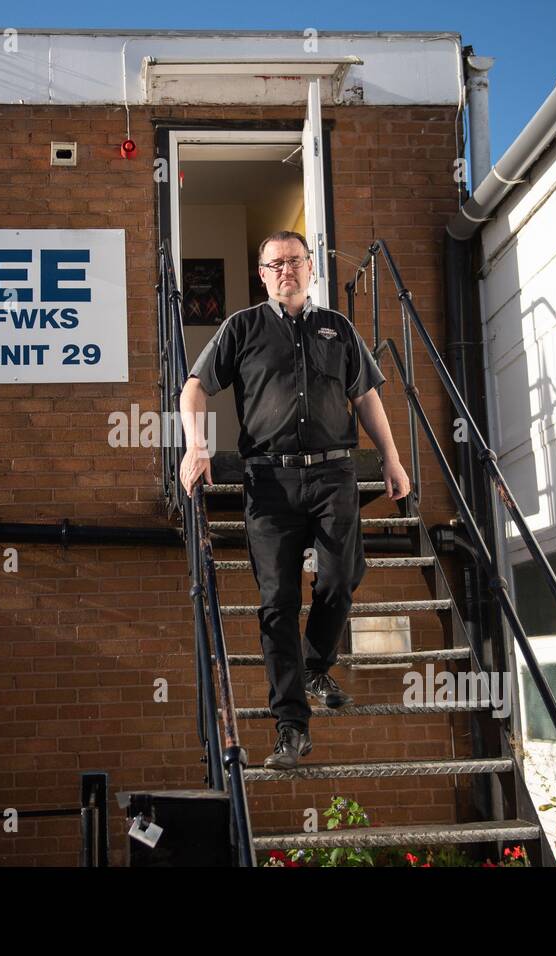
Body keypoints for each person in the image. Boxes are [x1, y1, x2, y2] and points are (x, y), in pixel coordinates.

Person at [179, 230, 410, 770]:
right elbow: (193, 387)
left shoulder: (339, 329)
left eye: (295, 261)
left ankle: (315, 662)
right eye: (275, 263)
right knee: (278, 602)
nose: (286, 269)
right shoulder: (242, 328)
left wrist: (393, 458)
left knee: (339, 577)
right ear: (261, 274)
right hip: (270, 483)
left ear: (311, 269)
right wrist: (197, 445)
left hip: (334, 475)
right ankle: (290, 725)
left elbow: (366, 397)